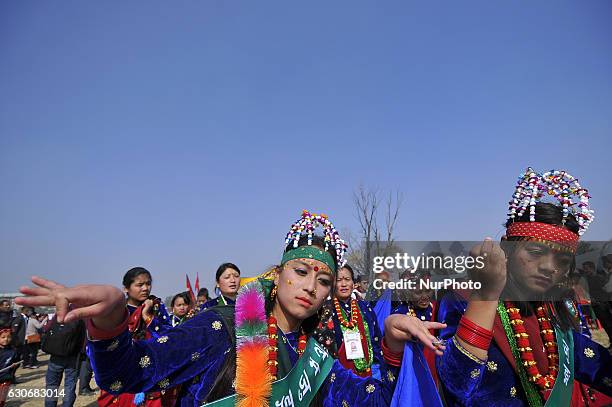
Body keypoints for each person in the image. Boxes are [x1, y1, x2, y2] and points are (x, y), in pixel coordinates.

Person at [16, 210, 446, 406]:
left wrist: (391, 341)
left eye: (324, 280)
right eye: (300, 272)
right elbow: (128, 374)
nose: (310, 287)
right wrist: (111, 320)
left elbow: (370, 398)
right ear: (276, 276)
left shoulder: (314, 350)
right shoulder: (222, 328)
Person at [436, 167, 612, 406]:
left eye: (562, 261)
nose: (550, 267)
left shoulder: (551, 309)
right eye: (536, 252)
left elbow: (595, 365)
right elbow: (457, 383)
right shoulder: (463, 297)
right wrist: (486, 295)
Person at [97, 266, 174, 406]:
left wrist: (148, 316)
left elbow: (167, 335)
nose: (145, 288)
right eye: (139, 285)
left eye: (148, 284)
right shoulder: (117, 310)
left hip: (152, 368)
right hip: (123, 368)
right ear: (126, 288)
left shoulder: (157, 306)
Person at [327, 263, 384, 378]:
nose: (343, 284)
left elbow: (376, 338)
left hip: (369, 370)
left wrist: (377, 366)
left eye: (347, 279)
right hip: (339, 373)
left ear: (353, 283)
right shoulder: (327, 310)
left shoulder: (364, 307)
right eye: (338, 280)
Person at [41, 317, 86, 407]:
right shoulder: (79, 319)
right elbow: (82, 339)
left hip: (55, 355)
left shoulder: (58, 317)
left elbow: (47, 330)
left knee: (52, 385)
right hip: (72, 356)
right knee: (69, 385)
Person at [0, 327, 20, 407]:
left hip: (6, 378)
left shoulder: (13, 350)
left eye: (8, 337)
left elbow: (17, 361)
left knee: (2, 398)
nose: (6, 339)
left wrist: (15, 365)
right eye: (3, 337)